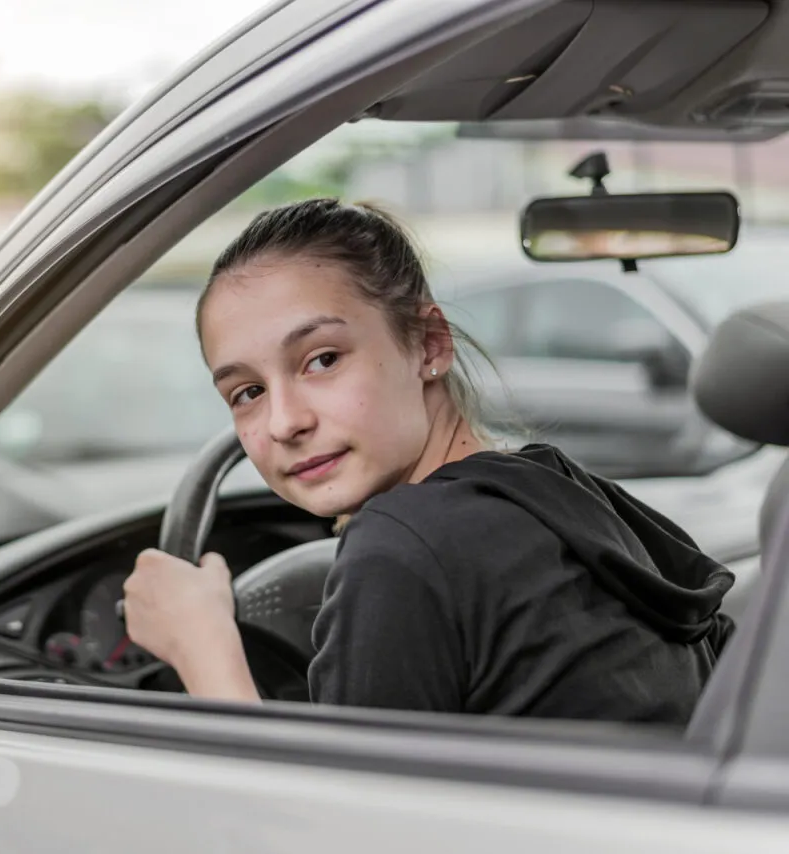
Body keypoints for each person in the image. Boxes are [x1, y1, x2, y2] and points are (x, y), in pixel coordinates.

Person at [122, 198, 734, 723]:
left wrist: (202, 648)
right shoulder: (554, 489)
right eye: (247, 393)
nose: (285, 422)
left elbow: (336, 832)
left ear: (429, 344)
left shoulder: (402, 548)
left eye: (322, 359)